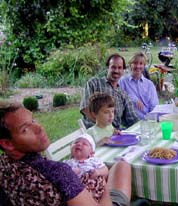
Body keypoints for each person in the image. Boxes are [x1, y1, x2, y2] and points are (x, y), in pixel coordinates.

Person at [0, 101, 132, 206]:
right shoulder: (58, 172)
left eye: (33, 120)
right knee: (122, 166)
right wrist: (105, 187)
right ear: (7, 144)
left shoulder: (4, 166)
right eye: (25, 130)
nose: (39, 128)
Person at [80, 53, 139, 129]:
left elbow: (132, 118)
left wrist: (144, 125)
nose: (116, 70)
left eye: (119, 68)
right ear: (108, 67)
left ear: (123, 70)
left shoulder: (123, 94)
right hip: (94, 133)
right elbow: (85, 108)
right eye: (113, 67)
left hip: (114, 135)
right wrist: (107, 128)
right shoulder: (94, 83)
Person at [64, 133, 109, 203]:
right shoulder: (67, 163)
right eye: (76, 143)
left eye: (84, 144)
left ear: (91, 153)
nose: (79, 144)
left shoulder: (94, 161)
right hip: (78, 193)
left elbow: (105, 170)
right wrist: (70, 173)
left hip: (95, 189)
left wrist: (98, 172)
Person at [119, 52, 159, 119]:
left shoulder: (149, 85)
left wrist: (151, 119)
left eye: (141, 64)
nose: (138, 66)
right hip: (130, 121)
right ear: (130, 65)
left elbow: (154, 106)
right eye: (135, 63)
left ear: (144, 66)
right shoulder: (123, 81)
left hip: (147, 119)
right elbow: (119, 97)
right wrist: (134, 99)